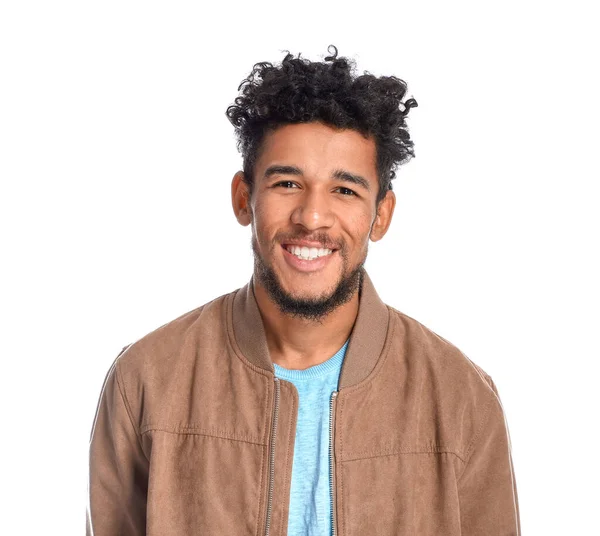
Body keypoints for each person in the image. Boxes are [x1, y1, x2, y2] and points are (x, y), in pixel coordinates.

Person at [86, 45, 521, 535]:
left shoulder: (461, 397)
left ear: (380, 215)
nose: (312, 217)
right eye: (288, 183)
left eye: (345, 190)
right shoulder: (145, 381)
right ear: (243, 198)